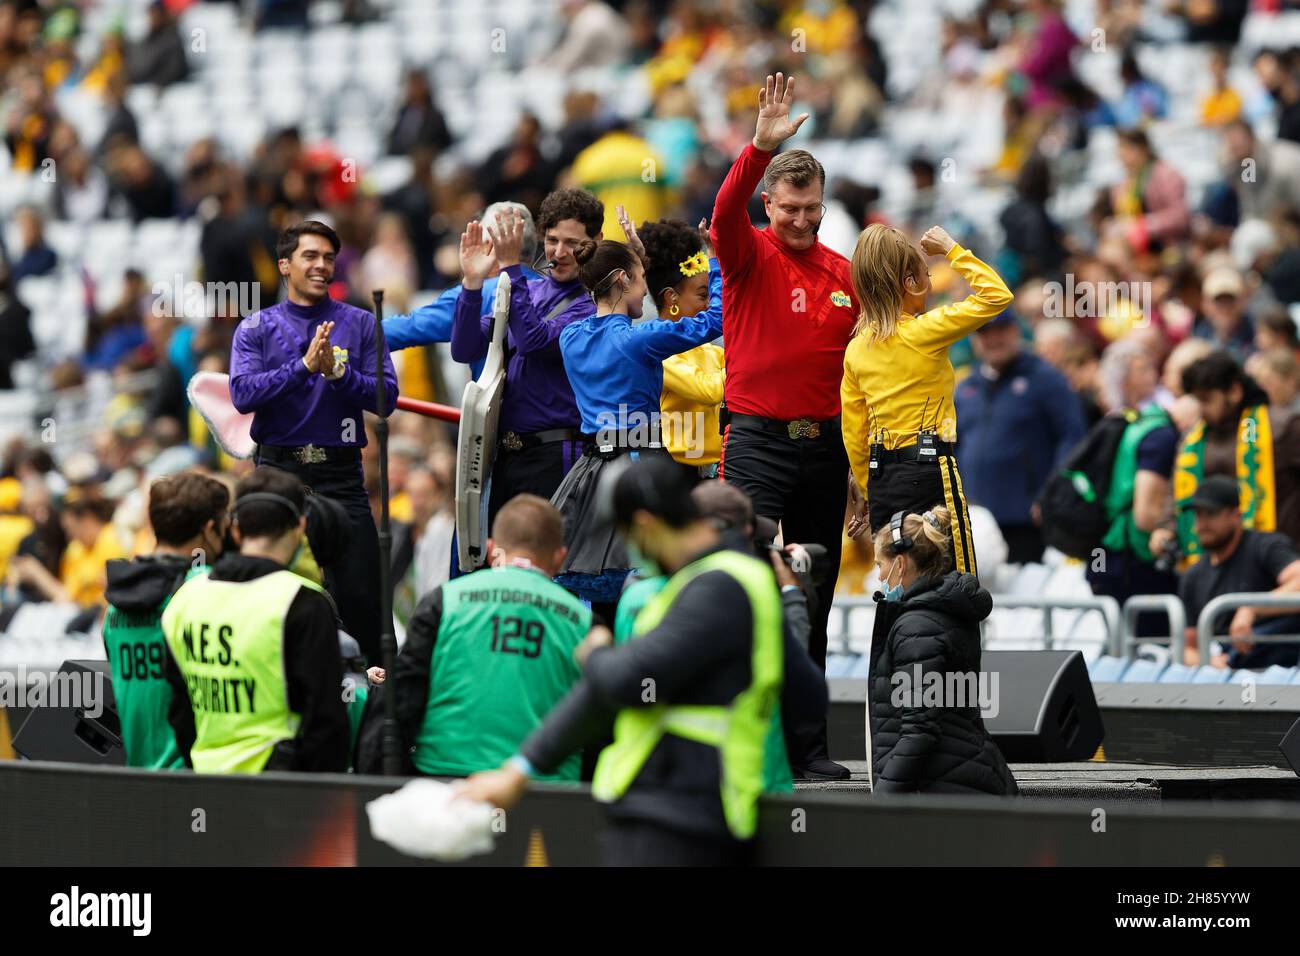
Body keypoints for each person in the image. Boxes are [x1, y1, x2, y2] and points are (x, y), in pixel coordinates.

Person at [458, 456, 828, 866]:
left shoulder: (719, 588)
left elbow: (625, 680)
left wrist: (598, 650)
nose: (626, 547)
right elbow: (807, 698)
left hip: (677, 820)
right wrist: (520, 769)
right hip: (681, 813)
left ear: (647, 525)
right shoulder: (710, 584)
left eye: (624, 533)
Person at [711, 73, 859, 780]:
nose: (802, 219)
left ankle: (809, 749)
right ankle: (749, 742)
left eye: (813, 208)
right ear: (769, 203)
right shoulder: (745, 256)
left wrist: (860, 467)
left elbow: (862, 374)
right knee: (750, 590)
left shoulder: (844, 273)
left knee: (815, 596)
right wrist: (757, 148)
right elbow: (721, 216)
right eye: (790, 207)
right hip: (756, 447)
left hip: (825, 453)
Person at [229, 220, 398, 664]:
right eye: (310, 256)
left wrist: (339, 375)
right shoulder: (256, 328)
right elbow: (242, 394)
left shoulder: (360, 323)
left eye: (328, 257)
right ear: (284, 265)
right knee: (270, 588)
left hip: (341, 474)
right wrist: (303, 368)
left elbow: (387, 398)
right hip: (276, 474)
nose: (322, 265)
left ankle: (382, 709)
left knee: (363, 594)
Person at [552, 237, 721, 612]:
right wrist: (716, 262)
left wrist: (634, 256)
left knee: (603, 596)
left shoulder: (570, 337)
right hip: (641, 465)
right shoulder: (638, 340)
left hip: (589, 473)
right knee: (656, 580)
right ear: (622, 279)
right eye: (641, 278)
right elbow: (714, 320)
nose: (646, 291)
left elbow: (598, 302)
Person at [841, 223, 1013, 576]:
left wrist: (869, 487)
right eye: (924, 274)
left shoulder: (856, 349)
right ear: (909, 281)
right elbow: (997, 296)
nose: (931, 284)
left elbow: (854, 431)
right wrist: (951, 248)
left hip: (882, 476)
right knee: (952, 578)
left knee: (895, 579)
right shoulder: (925, 332)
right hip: (930, 469)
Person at [161, 467, 350, 773]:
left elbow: (180, 714)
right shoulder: (303, 602)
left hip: (206, 784)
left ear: (235, 530)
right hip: (281, 792)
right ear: (300, 527)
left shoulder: (184, 598)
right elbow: (326, 722)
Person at [390, 494, 590, 779]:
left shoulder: (445, 601)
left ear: (491, 549)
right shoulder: (583, 622)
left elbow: (402, 699)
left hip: (448, 781)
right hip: (546, 791)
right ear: (560, 557)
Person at [451, 191, 602, 524]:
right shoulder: (529, 290)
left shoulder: (591, 308)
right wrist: (473, 283)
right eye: (552, 240)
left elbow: (534, 341)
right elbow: (464, 348)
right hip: (506, 455)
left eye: (572, 243)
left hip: (555, 455)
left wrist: (509, 268)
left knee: (544, 561)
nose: (560, 253)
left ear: (596, 242)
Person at [868, 506, 1018, 795]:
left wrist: (882, 800)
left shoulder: (918, 627)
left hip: (948, 789)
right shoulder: (940, 612)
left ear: (899, 564)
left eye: (879, 565)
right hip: (965, 779)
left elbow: (920, 728)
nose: (878, 576)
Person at [103, 472, 230, 770]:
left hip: (138, 773)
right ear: (209, 529)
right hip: (195, 771)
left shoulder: (115, 605)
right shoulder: (205, 589)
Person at [954, 310, 1086, 564]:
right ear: (973, 339)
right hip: (975, 522)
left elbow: (1073, 437)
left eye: (1000, 331)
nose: (993, 339)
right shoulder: (966, 387)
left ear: (1015, 331)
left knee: (1024, 595)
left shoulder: (1047, 380)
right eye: (984, 332)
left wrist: (1052, 494)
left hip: (1026, 520)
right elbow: (954, 446)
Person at [1085, 338, 1179, 634]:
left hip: (1104, 553)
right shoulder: (1155, 432)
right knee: (1154, 646)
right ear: (1121, 377)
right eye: (1143, 368)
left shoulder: (1109, 426)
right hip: (1137, 559)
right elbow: (1145, 515)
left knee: (1120, 645)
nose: (1153, 374)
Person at [1175, 350, 1300, 559]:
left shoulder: (1281, 428)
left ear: (1234, 391)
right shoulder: (1192, 441)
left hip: (1278, 559)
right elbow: (1177, 495)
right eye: (1196, 400)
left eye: (1207, 399)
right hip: (1213, 562)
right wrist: (1166, 528)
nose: (1201, 409)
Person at [627, 213, 724, 479]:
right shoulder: (657, 352)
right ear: (672, 298)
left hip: (715, 475)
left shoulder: (712, 352)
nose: (708, 305)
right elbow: (711, 390)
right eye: (703, 296)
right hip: (671, 475)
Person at [1176, 475, 1300, 669]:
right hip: (1219, 672)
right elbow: (1187, 648)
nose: (1202, 523)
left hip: (1275, 669)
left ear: (1236, 515)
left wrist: (1251, 608)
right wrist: (1211, 663)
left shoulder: (1264, 547)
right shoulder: (1193, 575)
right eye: (1198, 514)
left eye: (1211, 513)